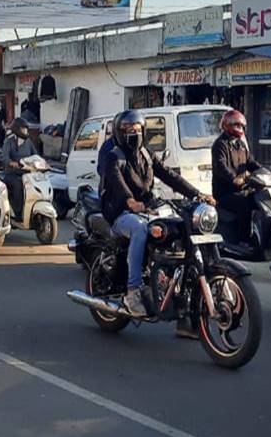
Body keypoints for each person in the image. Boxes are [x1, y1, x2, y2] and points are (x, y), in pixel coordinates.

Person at [100, 109, 211, 320]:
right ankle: (133, 291)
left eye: (138, 129)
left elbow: (170, 176)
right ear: (119, 132)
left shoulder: (146, 155)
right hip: (120, 212)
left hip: (148, 208)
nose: (134, 133)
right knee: (140, 229)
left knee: (178, 225)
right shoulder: (113, 157)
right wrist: (130, 201)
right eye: (128, 130)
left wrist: (197, 194)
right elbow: (117, 183)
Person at [212, 109, 256, 239]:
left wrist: (264, 172)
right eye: (237, 125)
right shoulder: (220, 145)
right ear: (227, 125)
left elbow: (251, 162)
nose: (240, 128)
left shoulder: (241, 144)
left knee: (257, 200)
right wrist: (234, 179)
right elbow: (221, 166)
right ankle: (243, 240)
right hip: (225, 193)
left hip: (241, 189)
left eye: (241, 126)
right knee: (245, 205)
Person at [0, 117, 36, 221]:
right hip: (12, 174)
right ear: (17, 129)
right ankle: (17, 212)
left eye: (26, 129)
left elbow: (35, 154)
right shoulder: (9, 141)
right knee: (18, 184)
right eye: (23, 129)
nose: (25, 131)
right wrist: (12, 163)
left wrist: (42, 163)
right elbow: (5, 157)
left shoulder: (28, 142)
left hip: (27, 172)